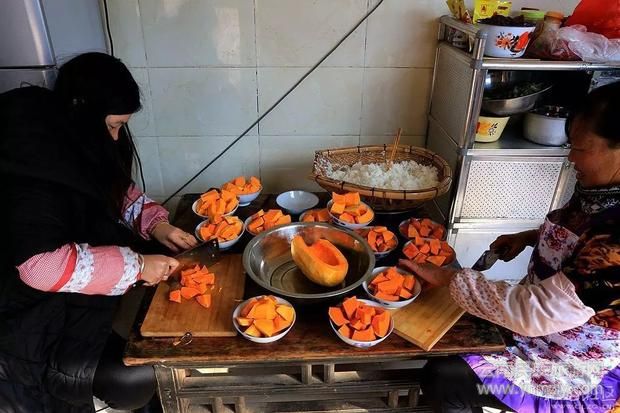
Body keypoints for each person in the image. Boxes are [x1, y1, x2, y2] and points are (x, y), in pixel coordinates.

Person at [400, 81, 620, 413]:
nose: (571, 157)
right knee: (456, 330)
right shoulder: (602, 188)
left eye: (581, 148)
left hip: (573, 369)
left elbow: (535, 313)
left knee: (445, 377)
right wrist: (530, 237)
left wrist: (449, 278)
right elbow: (579, 238)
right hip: (542, 331)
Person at [0, 53, 199, 412]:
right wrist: (137, 266)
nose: (116, 136)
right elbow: (40, 267)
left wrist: (157, 224)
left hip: (63, 295)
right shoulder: (30, 168)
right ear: (84, 110)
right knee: (135, 381)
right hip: (22, 317)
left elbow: (110, 188)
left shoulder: (68, 134)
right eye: (113, 125)